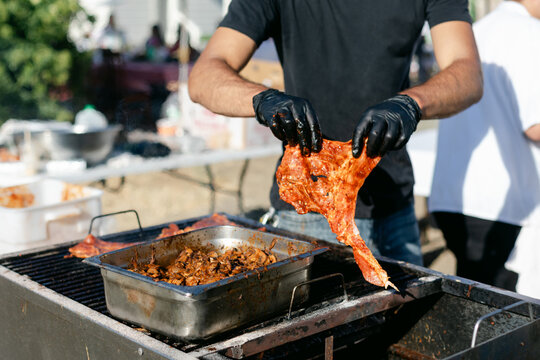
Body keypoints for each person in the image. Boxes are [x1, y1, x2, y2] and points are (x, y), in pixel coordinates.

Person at [188, 0, 483, 266]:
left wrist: (411, 104)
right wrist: (262, 99)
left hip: (395, 209)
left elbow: (468, 73)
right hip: (310, 213)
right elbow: (204, 76)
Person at [429, 0, 540, 291]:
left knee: (468, 302)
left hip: (451, 199)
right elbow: (536, 125)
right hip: (503, 208)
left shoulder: (474, 30)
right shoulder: (530, 34)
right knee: (502, 317)